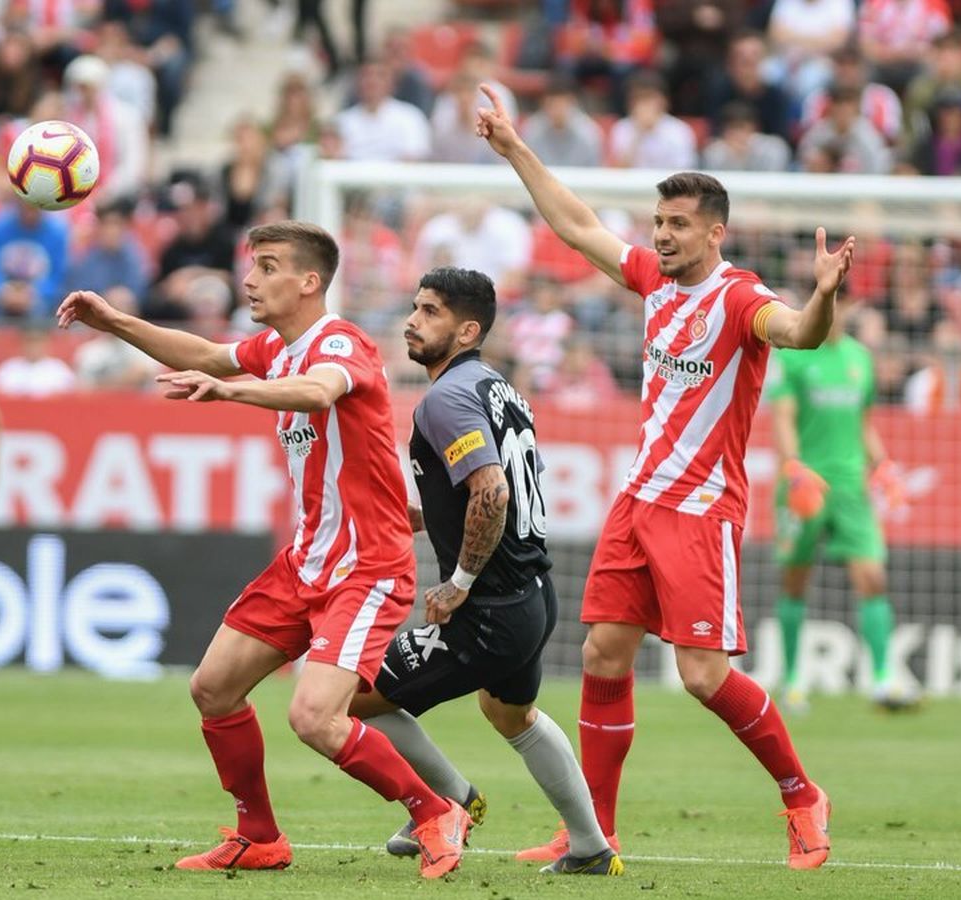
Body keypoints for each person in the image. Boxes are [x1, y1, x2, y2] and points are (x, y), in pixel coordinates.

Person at [472, 83, 854, 870]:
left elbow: (799, 336)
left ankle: (801, 794)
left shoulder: (741, 298)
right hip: (638, 501)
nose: (664, 236)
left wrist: (821, 297)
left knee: (705, 675)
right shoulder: (651, 280)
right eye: (658, 223)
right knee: (605, 655)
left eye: (679, 225)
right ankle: (593, 833)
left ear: (716, 232)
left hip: (701, 509)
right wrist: (514, 148)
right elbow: (576, 225)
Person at [56, 221, 474, 879]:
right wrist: (114, 322)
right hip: (306, 563)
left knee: (314, 718)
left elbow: (318, 391)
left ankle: (436, 810)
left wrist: (232, 392)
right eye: (252, 265)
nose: (249, 278)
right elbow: (202, 353)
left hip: (366, 568)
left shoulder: (340, 343)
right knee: (213, 688)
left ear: (308, 282)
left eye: (268, 266)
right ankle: (260, 837)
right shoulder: (276, 350)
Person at [346, 267, 622, 877]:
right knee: (509, 714)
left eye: (432, 312)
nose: (413, 321)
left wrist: (458, 583)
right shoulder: (495, 386)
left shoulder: (444, 398)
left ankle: (449, 803)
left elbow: (491, 492)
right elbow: (488, 491)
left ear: (468, 330)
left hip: (488, 607)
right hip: (532, 594)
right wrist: (424, 518)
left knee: (342, 695)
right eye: (414, 307)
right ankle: (590, 847)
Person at [767, 297, 916, 712]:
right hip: (806, 485)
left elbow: (863, 423)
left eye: (839, 300)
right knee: (795, 580)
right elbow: (782, 417)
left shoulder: (859, 359)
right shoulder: (795, 356)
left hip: (851, 487)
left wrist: (882, 465)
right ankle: (794, 681)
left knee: (872, 576)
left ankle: (884, 679)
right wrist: (793, 468)